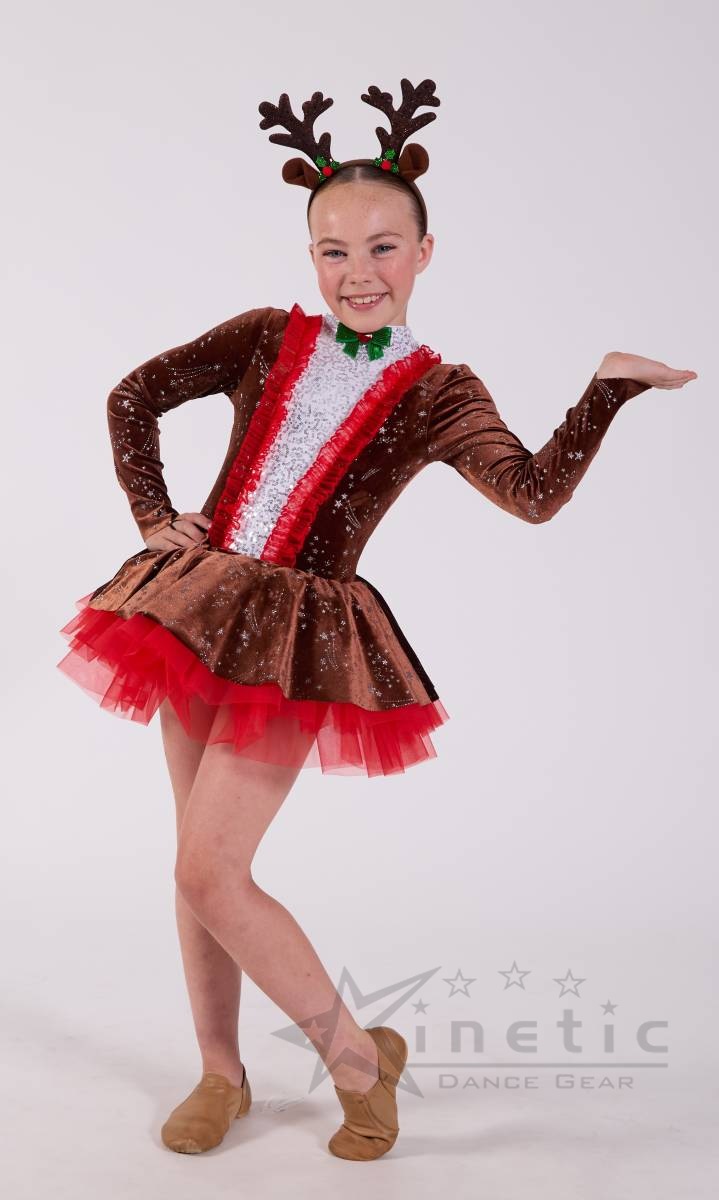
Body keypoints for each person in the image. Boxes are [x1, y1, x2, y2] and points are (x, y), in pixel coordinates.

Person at [56, 78, 697, 1161]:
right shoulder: (264, 335)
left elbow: (531, 493)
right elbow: (132, 395)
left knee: (212, 870)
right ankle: (220, 1072)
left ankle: (356, 1062)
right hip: (197, 607)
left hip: (295, 641)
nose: (359, 272)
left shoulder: (439, 391)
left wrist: (605, 392)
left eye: (383, 248)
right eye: (334, 251)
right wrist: (155, 516)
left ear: (424, 253)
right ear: (310, 256)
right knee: (193, 866)